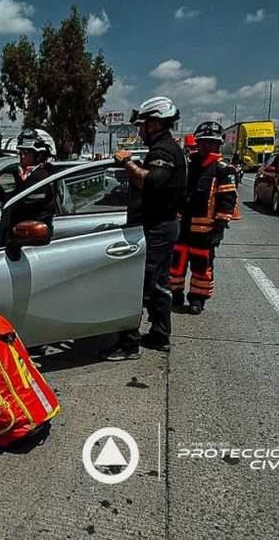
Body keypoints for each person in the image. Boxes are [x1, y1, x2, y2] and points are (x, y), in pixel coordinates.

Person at [108, 96, 187, 359]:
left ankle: (128, 344)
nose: (139, 130)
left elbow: (152, 182)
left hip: (156, 228)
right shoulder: (165, 148)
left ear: (155, 124)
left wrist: (127, 163)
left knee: (137, 284)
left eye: (142, 124)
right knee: (158, 284)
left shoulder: (163, 150)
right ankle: (159, 334)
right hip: (164, 225)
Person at [170, 121, 240, 315]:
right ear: (197, 143)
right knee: (176, 265)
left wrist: (219, 227)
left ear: (218, 145)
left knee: (201, 269)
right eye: (203, 142)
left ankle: (197, 299)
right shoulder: (188, 166)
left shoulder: (223, 169)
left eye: (211, 143)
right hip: (182, 229)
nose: (206, 146)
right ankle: (175, 294)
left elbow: (228, 200)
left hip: (205, 232)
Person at [10, 128, 58, 226]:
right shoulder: (33, 174)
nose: (22, 157)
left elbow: (20, 205)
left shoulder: (40, 177)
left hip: (33, 231)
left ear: (39, 155)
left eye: (26, 153)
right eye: (21, 153)